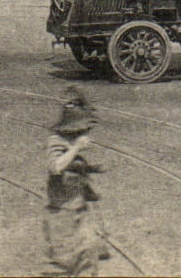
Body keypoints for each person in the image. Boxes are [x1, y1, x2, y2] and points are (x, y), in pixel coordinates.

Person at [45, 86, 111, 276]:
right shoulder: (55, 141)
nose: (86, 134)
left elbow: (72, 168)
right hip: (62, 214)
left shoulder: (69, 142)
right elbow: (56, 167)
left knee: (88, 263)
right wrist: (76, 148)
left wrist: (92, 168)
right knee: (66, 264)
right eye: (83, 129)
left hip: (78, 209)